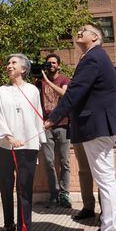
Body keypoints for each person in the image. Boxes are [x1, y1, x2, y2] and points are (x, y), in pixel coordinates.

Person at [45, 24, 116, 231]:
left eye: (85, 29)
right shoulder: (94, 57)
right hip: (98, 126)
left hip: (96, 126)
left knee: (106, 182)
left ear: (96, 37)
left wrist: (53, 118)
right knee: (104, 181)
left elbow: (74, 92)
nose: (79, 31)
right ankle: (107, 229)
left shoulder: (93, 58)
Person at [0, 54, 46, 231]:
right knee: (6, 188)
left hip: (28, 146)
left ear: (23, 69)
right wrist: (9, 137)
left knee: (24, 190)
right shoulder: (1, 91)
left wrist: (39, 140)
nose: (9, 65)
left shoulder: (32, 90)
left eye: (13, 63)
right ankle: (8, 226)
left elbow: (38, 114)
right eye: (8, 63)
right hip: (5, 146)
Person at [39, 53, 72, 208]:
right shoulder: (39, 82)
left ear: (58, 65)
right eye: (48, 63)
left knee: (65, 161)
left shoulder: (64, 80)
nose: (51, 65)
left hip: (63, 124)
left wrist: (47, 81)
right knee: (48, 161)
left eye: (53, 63)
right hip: (46, 126)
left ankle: (65, 194)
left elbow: (64, 94)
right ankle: (54, 194)